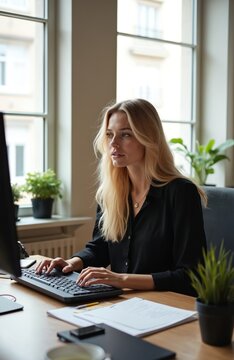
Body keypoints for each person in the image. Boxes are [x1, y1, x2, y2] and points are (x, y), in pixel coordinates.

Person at [36, 98, 207, 296]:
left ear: (148, 138)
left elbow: (191, 275)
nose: (113, 144)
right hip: (125, 301)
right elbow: (100, 248)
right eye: (109, 135)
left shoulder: (181, 192)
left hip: (167, 304)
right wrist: (71, 263)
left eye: (125, 135)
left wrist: (120, 279)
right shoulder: (112, 192)